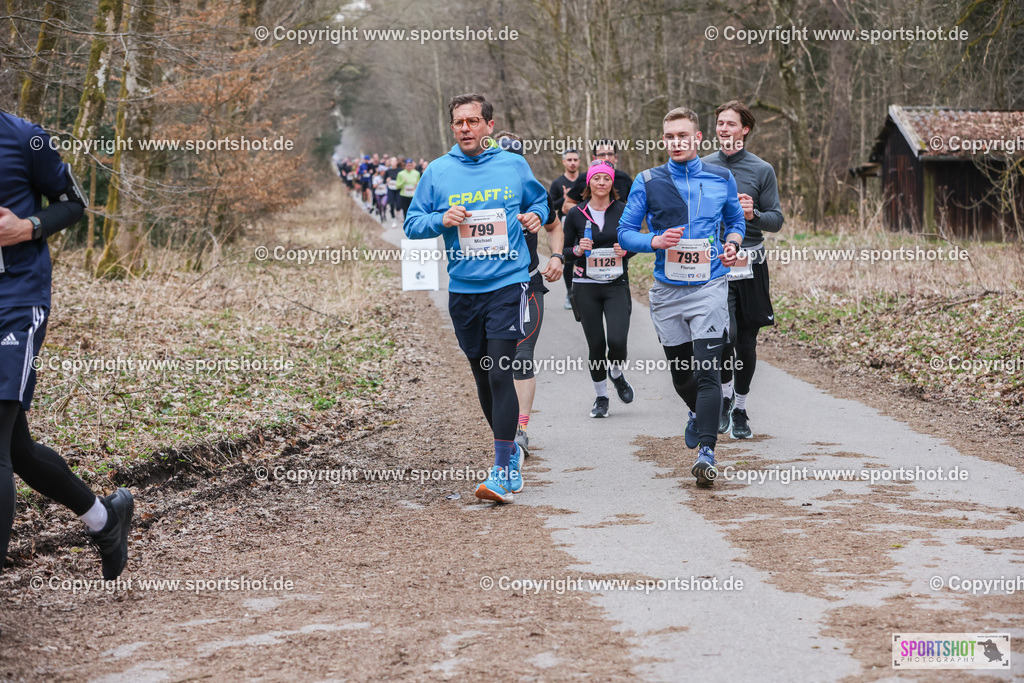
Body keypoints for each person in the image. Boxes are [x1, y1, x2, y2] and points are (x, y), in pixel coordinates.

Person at [0, 109, 133, 578]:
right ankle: (104, 517)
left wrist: (26, 228)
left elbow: (72, 202)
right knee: (18, 451)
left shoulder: (24, 138)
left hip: (14, 300)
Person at [404, 94, 548, 504]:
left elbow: (539, 202)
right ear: (452, 128)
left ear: (488, 124)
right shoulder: (438, 171)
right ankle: (510, 452)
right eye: (458, 123)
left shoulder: (512, 163)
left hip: (509, 282)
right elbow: (413, 224)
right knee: (484, 377)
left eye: (472, 121)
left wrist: (535, 215)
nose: (465, 128)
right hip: (464, 290)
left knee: (502, 371)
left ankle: (502, 469)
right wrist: (440, 219)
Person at [617, 107, 745, 487]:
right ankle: (696, 413)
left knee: (708, 370)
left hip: (709, 285)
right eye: (670, 137)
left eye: (683, 136)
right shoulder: (648, 180)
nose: (676, 142)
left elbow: (736, 222)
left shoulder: (721, 177)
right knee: (681, 373)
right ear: (664, 140)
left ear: (698, 138)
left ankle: (708, 453)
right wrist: (653, 240)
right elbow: (625, 233)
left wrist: (733, 243)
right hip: (668, 290)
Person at [702, 101, 784, 439]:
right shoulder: (702, 166)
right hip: (715, 262)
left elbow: (776, 220)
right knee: (725, 337)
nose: (723, 129)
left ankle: (740, 407)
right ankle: (722, 398)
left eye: (730, 124)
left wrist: (753, 216)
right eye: (719, 123)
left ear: (744, 130)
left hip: (750, 263)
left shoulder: (761, 170)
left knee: (746, 342)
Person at [493, 132, 564, 457]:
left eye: (514, 159)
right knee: (495, 362)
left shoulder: (532, 195)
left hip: (528, 286)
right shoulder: (484, 193)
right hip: (489, 290)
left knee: (521, 357)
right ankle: (503, 429)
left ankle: (521, 429)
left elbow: (555, 226)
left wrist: (557, 256)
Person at [563, 161, 635, 417]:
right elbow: (565, 253)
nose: (601, 182)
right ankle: (601, 396)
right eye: (597, 178)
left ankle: (615, 372)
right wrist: (577, 250)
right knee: (596, 345)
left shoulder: (624, 211)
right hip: (585, 287)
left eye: (606, 178)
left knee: (617, 341)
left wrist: (626, 251)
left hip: (616, 284)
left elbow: (634, 243)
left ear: (612, 183)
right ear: (589, 183)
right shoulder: (575, 214)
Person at [562, 139, 633, 216]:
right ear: (594, 158)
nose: (606, 157)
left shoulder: (624, 178)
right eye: (602, 154)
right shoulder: (584, 178)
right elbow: (566, 206)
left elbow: (635, 206)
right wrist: (588, 213)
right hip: (589, 225)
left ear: (615, 157)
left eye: (610, 154)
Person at [548, 149, 580, 310]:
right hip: (565, 224)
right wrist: (566, 197)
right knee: (569, 258)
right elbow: (551, 205)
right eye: (569, 160)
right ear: (564, 162)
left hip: (583, 224)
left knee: (583, 256)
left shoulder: (584, 180)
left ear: (579, 162)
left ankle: (585, 292)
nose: (572, 162)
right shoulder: (557, 183)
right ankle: (570, 293)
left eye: (575, 159)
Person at [385, 156, 401, 227]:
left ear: (397, 162)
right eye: (392, 161)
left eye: (395, 161)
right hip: (390, 189)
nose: (394, 162)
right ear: (390, 162)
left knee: (398, 205)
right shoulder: (388, 171)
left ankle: (398, 213)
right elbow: (384, 180)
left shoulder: (400, 171)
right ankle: (393, 220)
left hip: (398, 189)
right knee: (391, 204)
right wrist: (387, 180)